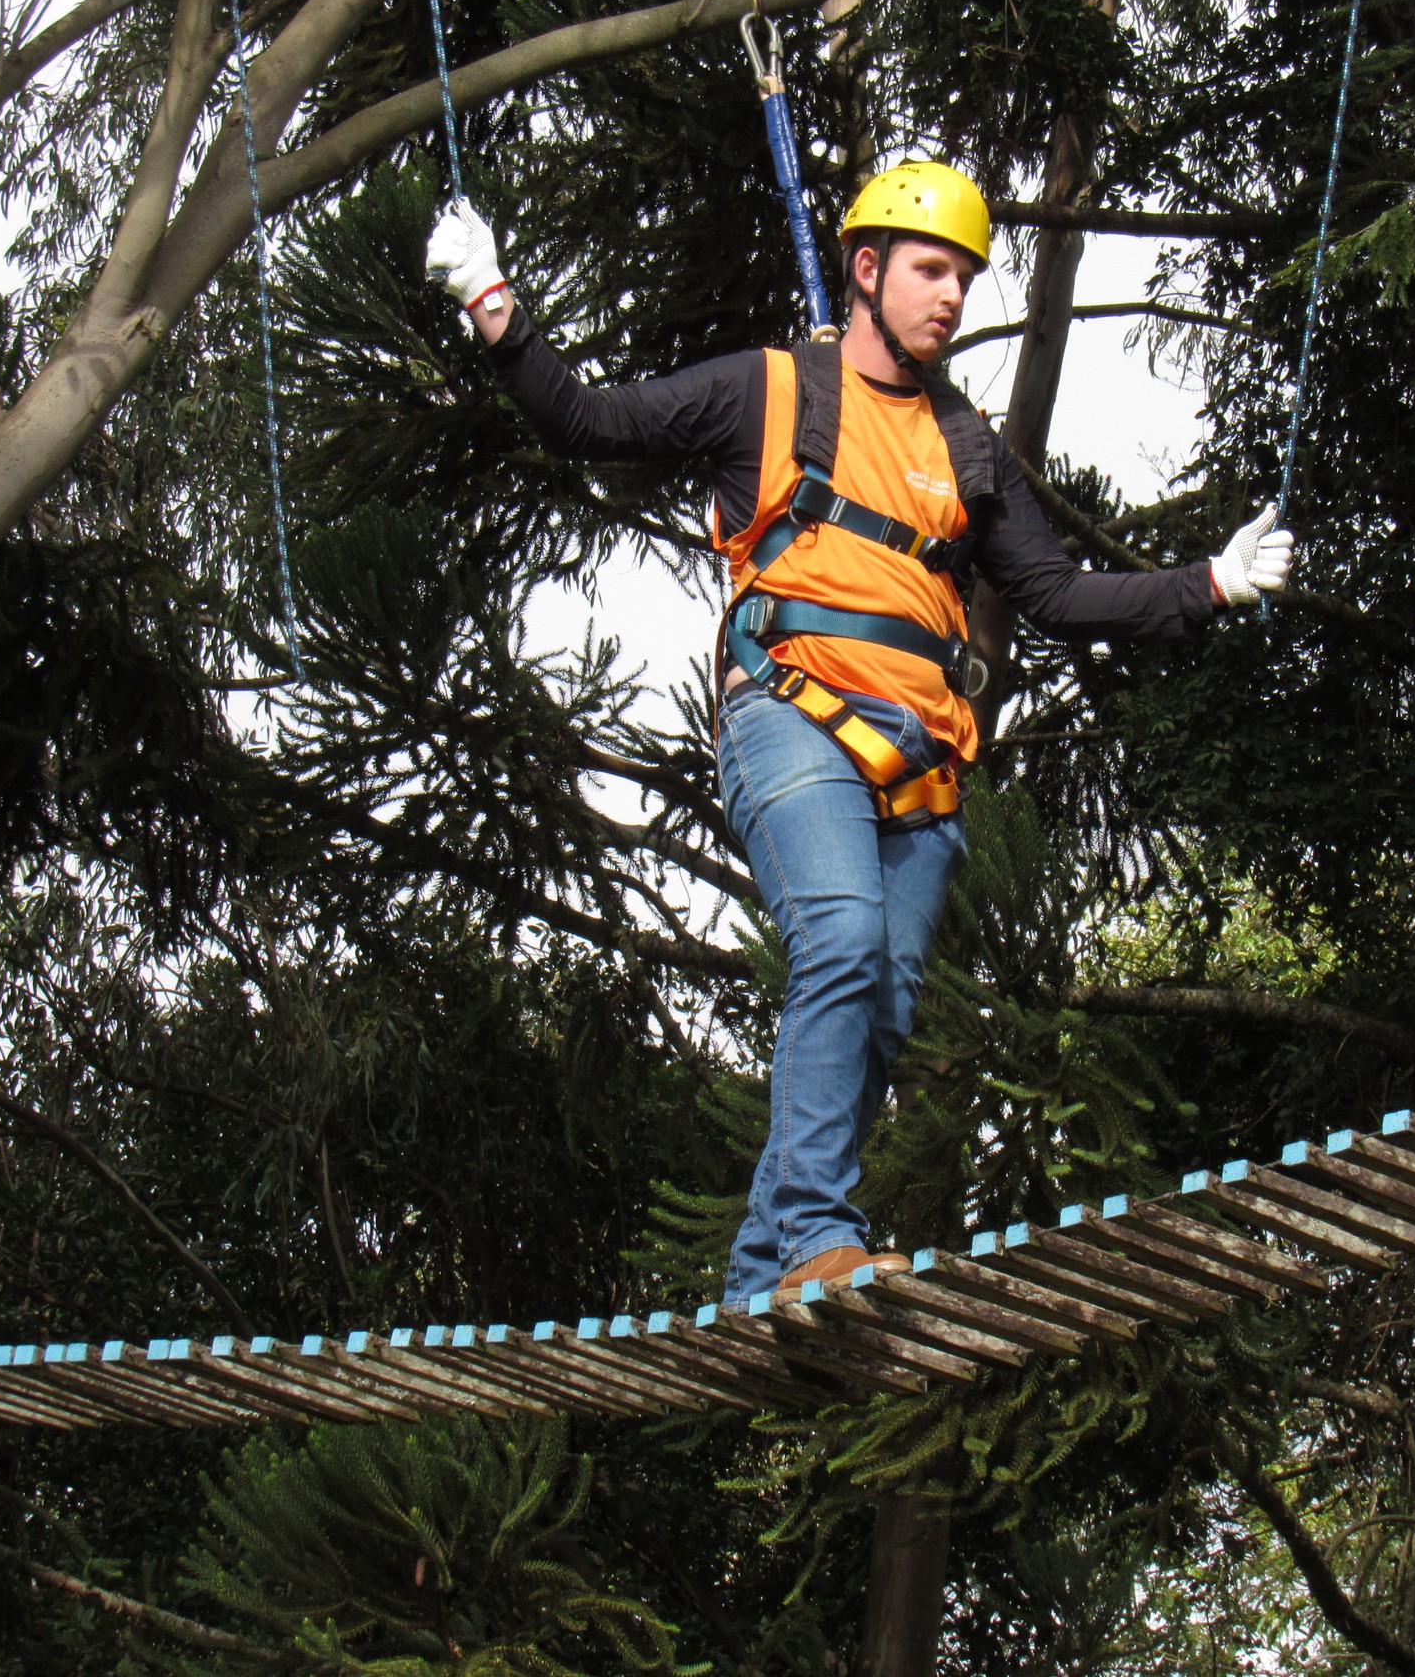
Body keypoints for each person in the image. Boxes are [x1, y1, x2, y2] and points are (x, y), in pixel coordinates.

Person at [426, 160, 1294, 1305]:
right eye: (931, 270)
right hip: (791, 713)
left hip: (921, 761)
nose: (952, 296)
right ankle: (816, 1238)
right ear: (868, 269)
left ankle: (761, 1275)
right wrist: (488, 298)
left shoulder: (966, 443)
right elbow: (588, 421)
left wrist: (1209, 583)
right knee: (838, 938)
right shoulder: (768, 390)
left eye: (966, 278)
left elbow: (1054, 594)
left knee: (880, 1004)